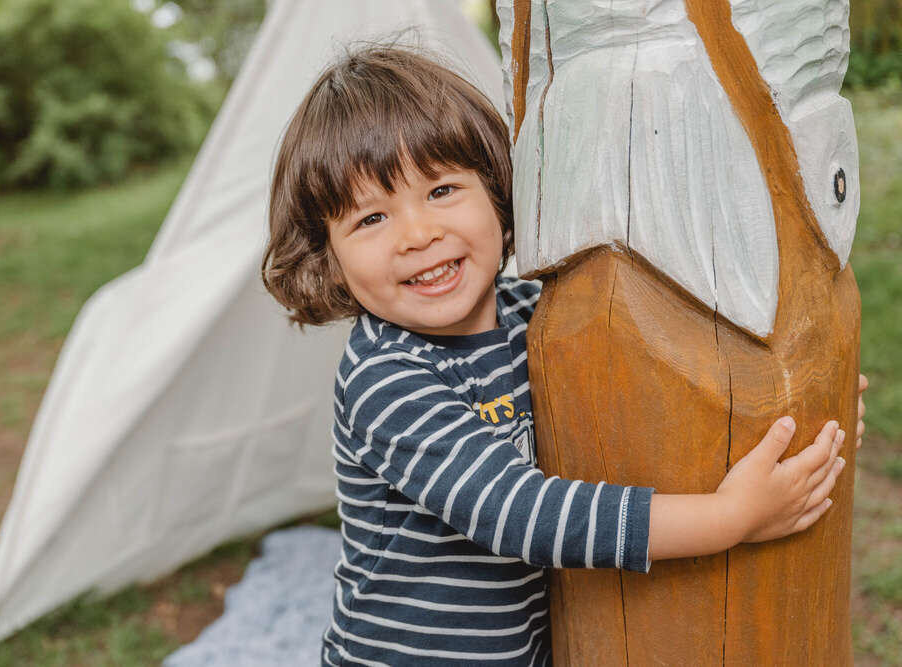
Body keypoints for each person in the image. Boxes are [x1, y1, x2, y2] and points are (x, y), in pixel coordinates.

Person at [262, 46, 866, 666]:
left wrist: (812, 432)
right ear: (328, 255)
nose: (418, 235)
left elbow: (642, 418)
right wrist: (728, 518)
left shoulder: (542, 314)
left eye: (442, 189)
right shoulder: (384, 378)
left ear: (498, 196)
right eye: (371, 219)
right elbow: (523, 515)